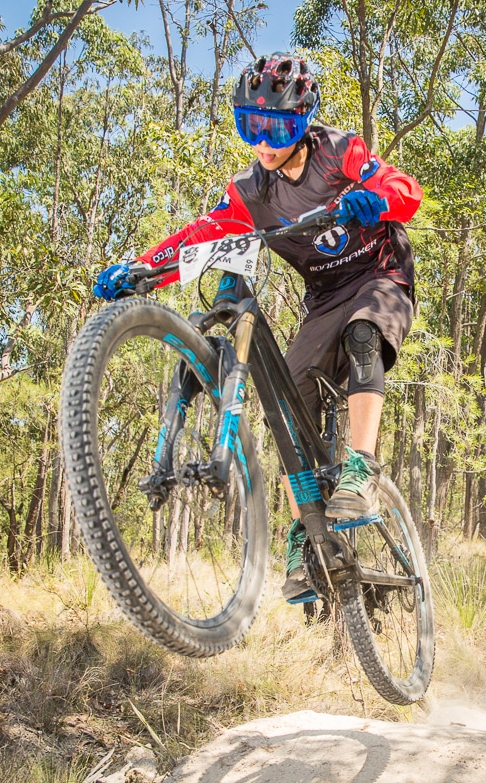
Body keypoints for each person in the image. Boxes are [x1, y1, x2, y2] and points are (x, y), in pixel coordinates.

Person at [92, 52, 422, 604]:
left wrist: (375, 199)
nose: (264, 143)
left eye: (278, 129)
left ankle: (362, 466)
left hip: (380, 275)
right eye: (251, 127)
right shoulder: (251, 189)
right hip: (325, 298)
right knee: (288, 403)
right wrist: (141, 270)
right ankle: (305, 532)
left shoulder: (340, 152)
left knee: (364, 334)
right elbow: (200, 235)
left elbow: (404, 189)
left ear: (303, 121)